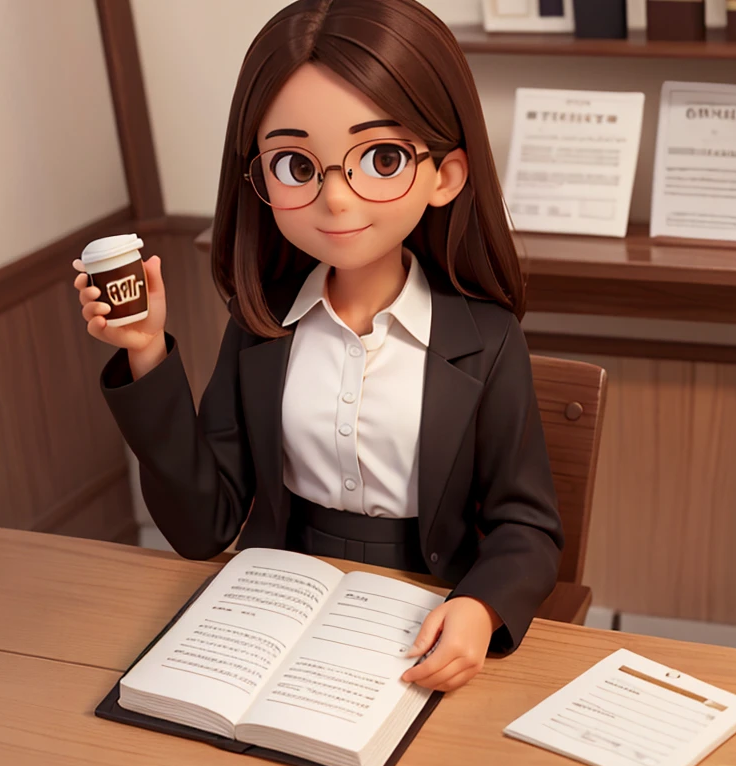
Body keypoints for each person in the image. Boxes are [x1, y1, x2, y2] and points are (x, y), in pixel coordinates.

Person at [73, 0, 563, 693]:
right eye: (297, 166)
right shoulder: (262, 324)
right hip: (274, 607)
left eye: (382, 157)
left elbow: (527, 525)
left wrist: (481, 607)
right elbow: (203, 524)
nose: (336, 200)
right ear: (259, 179)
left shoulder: (486, 340)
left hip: (420, 607)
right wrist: (147, 352)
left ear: (445, 175)